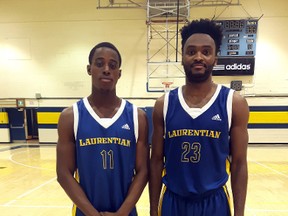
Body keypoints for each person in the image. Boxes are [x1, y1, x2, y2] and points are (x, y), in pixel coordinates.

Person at [149, 19, 249, 216]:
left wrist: (239, 214)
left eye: (206, 51)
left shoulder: (233, 103)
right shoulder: (164, 104)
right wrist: (153, 210)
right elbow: (156, 161)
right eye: (191, 51)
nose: (198, 57)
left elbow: (239, 163)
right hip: (173, 201)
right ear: (182, 57)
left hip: (214, 203)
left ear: (215, 58)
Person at [56, 42, 149, 216]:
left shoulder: (138, 117)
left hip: (126, 212)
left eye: (112, 66)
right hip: (85, 212)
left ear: (119, 74)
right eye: (99, 64)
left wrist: (122, 213)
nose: (106, 69)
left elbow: (143, 171)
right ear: (89, 69)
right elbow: (63, 173)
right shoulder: (71, 116)